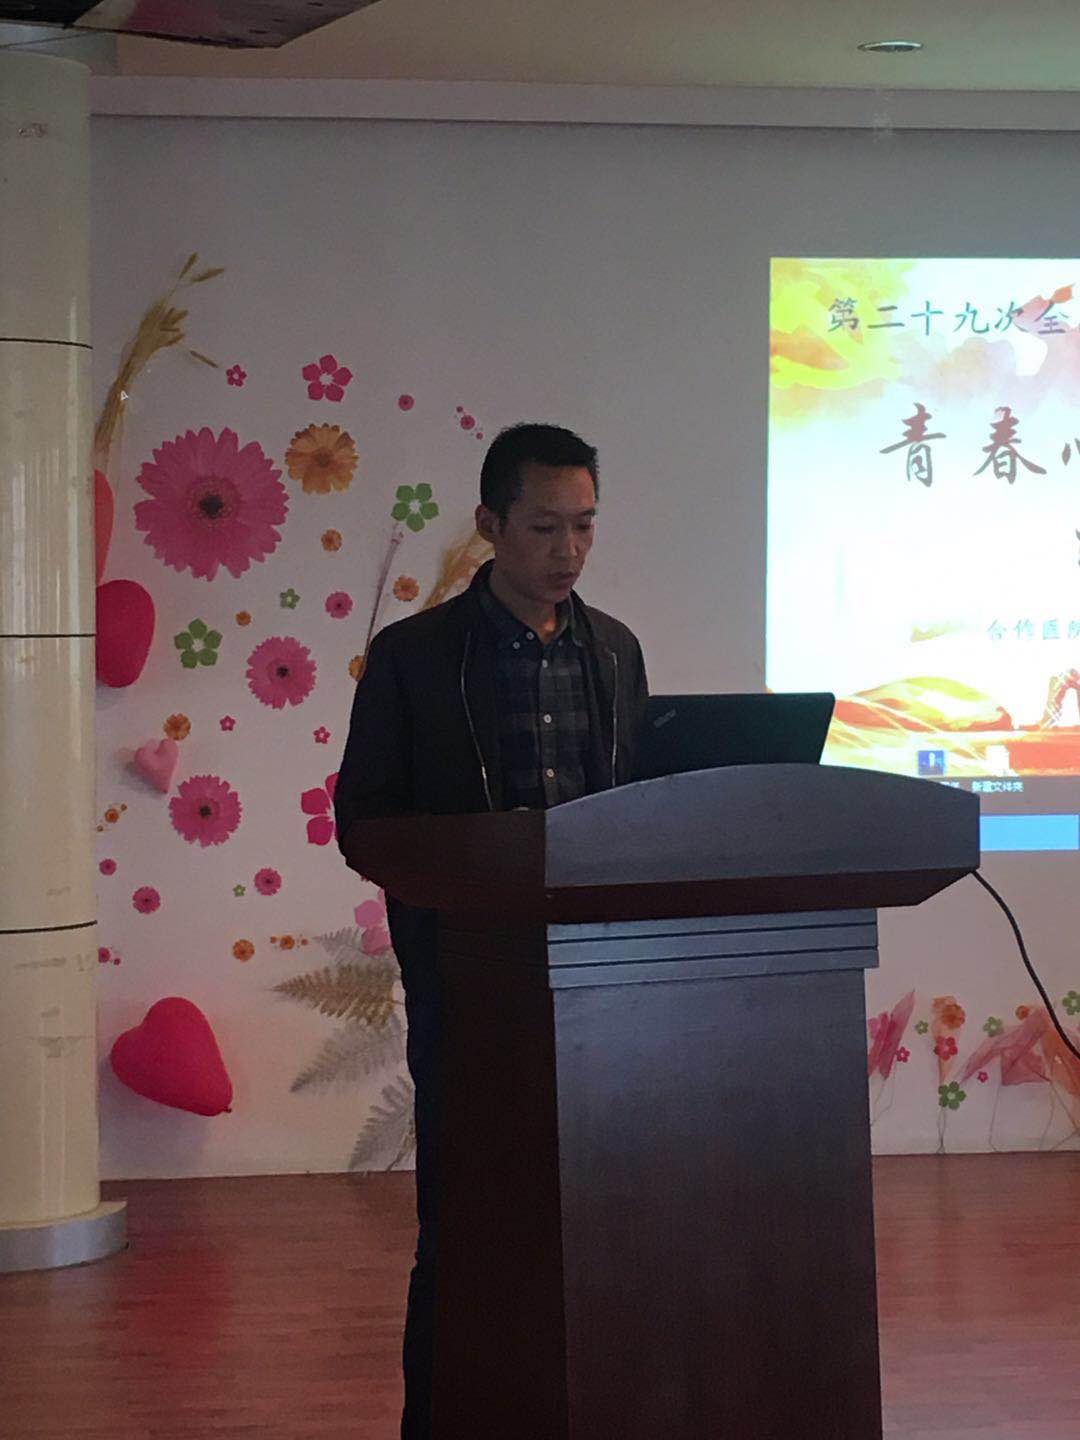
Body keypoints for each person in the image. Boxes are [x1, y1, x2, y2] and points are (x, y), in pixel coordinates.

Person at [333, 422, 648, 1439]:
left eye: (584, 526)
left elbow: (639, 811)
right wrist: (483, 856)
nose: (569, 551)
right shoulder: (416, 657)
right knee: (464, 1233)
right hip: (470, 984)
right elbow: (364, 822)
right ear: (489, 524)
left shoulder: (615, 651)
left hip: (604, 988)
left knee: (606, 1226)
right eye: (545, 527)